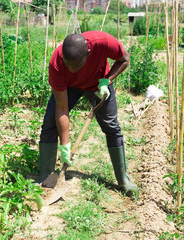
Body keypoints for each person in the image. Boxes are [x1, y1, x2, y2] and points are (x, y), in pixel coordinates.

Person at [36, 31, 138, 195]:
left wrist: (108, 80)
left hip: (100, 83)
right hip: (70, 87)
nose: (72, 70)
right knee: (49, 123)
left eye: (76, 66)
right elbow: (61, 109)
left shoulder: (103, 42)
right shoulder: (56, 63)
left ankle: (123, 179)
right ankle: (45, 175)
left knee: (112, 127)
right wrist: (65, 145)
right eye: (69, 66)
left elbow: (124, 59)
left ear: (88, 54)